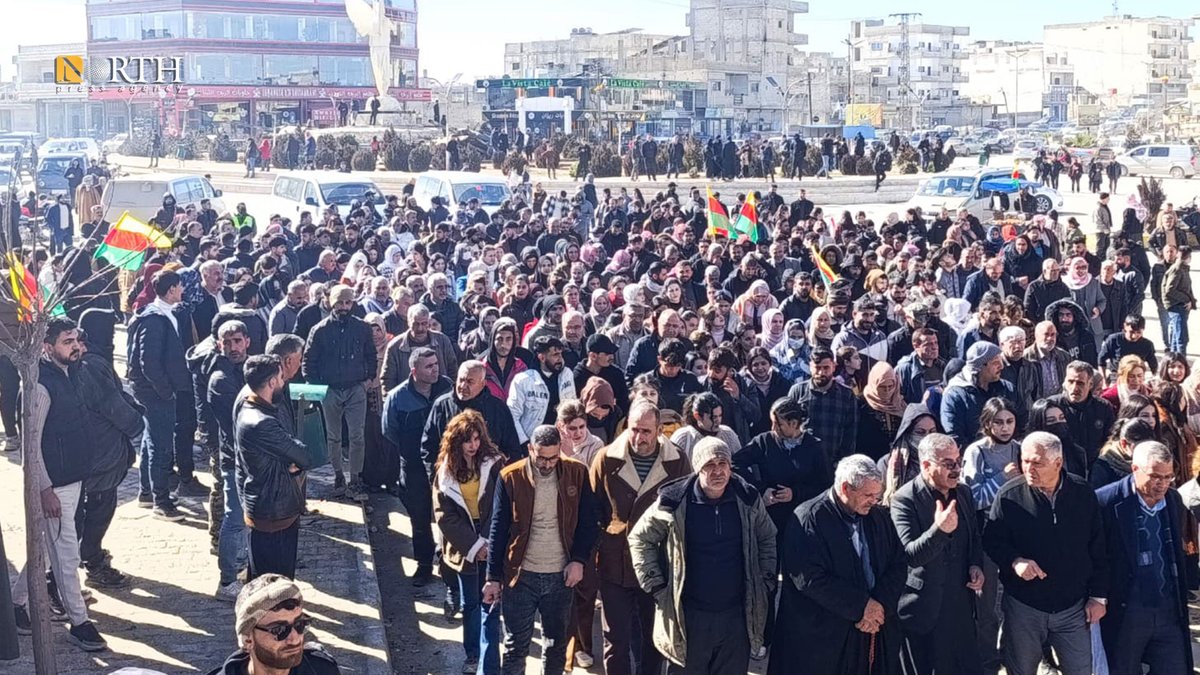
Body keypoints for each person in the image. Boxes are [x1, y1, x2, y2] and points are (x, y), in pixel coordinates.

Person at [628, 436, 777, 674]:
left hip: (736, 616)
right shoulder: (673, 502)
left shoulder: (748, 498)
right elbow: (640, 538)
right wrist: (655, 584)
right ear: (698, 468)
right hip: (689, 616)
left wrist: (766, 579)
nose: (718, 471)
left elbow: (767, 537)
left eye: (723, 463)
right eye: (710, 465)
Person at [10, 318, 108, 651]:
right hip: (56, 485)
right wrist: (45, 488)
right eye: (68, 342)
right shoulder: (39, 385)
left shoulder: (70, 373)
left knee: (48, 547)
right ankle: (79, 622)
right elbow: (31, 445)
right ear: (47, 347)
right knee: (66, 554)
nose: (76, 346)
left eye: (76, 339)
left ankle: (16, 604)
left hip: (74, 478)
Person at [983, 431, 1108, 675]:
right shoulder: (1009, 496)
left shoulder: (1082, 493)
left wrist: (1098, 596)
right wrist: (1015, 561)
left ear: (1058, 463)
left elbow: (1098, 547)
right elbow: (992, 541)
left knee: (1081, 670)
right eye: (1025, 461)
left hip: (1073, 607)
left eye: (1037, 463)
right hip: (1024, 607)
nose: (1028, 469)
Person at [771, 454, 905, 675]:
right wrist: (861, 606)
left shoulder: (878, 516)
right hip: (825, 637)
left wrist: (879, 605)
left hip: (871, 629)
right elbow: (809, 578)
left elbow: (898, 563)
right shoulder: (808, 519)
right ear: (845, 488)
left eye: (877, 495)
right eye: (868, 495)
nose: (874, 501)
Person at [484, 425, 599, 675]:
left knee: (556, 647)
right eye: (541, 458)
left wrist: (579, 560)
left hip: (561, 576)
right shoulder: (510, 476)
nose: (547, 464)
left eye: (553, 458)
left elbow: (589, 522)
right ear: (530, 449)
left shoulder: (577, 473)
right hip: (520, 576)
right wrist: (492, 577)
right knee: (515, 647)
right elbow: (498, 527)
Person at [590, 401, 690, 675]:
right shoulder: (606, 458)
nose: (639, 437)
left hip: (656, 564)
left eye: (646, 431)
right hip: (615, 561)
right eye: (634, 429)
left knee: (654, 639)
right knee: (616, 640)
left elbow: (685, 511)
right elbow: (592, 509)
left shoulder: (677, 461)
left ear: (658, 430)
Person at [1095, 440, 1194, 674]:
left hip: (1168, 607)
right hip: (1127, 610)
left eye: (1168, 477)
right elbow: (1096, 556)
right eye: (1155, 477)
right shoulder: (1105, 501)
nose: (1162, 484)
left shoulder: (1173, 500)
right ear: (1135, 469)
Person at [890, 433, 985, 674]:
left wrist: (976, 565)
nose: (957, 469)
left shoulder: (963, 493)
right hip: (924, 608)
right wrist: (939, 530)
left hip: (960, 604)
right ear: (926, 465)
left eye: (958, 462)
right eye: (948, 464)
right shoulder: (904, 499)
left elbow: (974, 537)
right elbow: (910, 555)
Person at [432, 410, 505, 675]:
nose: (473, 445)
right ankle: (472, 654)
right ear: (456, 442)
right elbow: (444, 515)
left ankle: (490, 662)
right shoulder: (445, 471)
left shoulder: (495, 463)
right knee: (470, 604)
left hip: (492, 539)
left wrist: (488, 542)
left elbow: (502, 504)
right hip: (463, 547)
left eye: (476, 439)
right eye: (467, 440)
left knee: (491, 603)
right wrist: (474, 546)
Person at [236, 355, 313, 580]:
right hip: (273, 513)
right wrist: (291, 463)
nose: (283, 381)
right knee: (275, 584)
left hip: (268, 508)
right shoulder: (262, 422)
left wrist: (288, 462)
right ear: (271, 382)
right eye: (280, 377)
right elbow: (304, 456)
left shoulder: (252, 408)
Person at [383, 347, 452, 586]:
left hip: (446, 465)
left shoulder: (448, 388)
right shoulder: (397, 397)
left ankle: (448, 562)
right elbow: (389, 431)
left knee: (449, 515)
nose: (435, 370)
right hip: (413, 468)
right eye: (428, 366)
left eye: (436, 364)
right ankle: (424, 565)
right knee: (419, 519)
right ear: (414, 371)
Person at [127, 269, 192, 520]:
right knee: (161, 446)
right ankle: (161, 501)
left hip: (156, 390)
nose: (183, 290)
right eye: (180, 286)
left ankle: (147, 492)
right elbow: (149, 361)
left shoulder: (165, 314)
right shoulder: (155, 319)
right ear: (172, 289)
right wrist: (165, 391)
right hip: (154, 392)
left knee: (150, 439)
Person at [302, 284, 377, 500]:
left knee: (357, 436)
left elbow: (371, 355)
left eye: (348, 302)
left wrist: (368, 381)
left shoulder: (362, 328)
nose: (344, 307)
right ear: (331, 303)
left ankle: (355, 479)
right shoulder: (320, 329)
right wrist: (318, 389)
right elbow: (308, 361)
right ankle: (338, 476)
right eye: (340, 302)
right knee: (333, 436)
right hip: (331, 389)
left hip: (356, 387)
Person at [206, 574, 340, 675]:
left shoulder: (322, 670)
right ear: (248, 639)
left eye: (299, 625)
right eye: (279, 630)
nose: (294, 639)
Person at [208, 321, 251, 601]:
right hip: (233, 458)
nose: (233, 347)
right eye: (227, 342)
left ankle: (241, 567)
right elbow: (235, 422)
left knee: (245, 519)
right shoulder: (220, 379)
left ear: (247, 341)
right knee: (234, 518)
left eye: (237, 340)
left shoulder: (250, 369)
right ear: (219, 345)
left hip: (250, 457)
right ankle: (226, 581)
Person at [507, 336, 577, 444]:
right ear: (542, 357)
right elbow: (512, 415)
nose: (560, 359)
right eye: (555, 355)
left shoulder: (567, 374)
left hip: (561, 439)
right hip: (532, 440)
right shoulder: (523, 380)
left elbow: (572, 407)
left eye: (561, 354)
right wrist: (524, 442)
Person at [1162, 245, 1195, 355]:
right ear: (1188, 257)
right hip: (1176, 305)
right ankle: (1181, 360)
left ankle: (1174, 358)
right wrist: (1186, 300)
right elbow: (1169, 290)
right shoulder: (1177, 269)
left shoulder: (1183, 268)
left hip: (1180, 305)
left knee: (1176, 337)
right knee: (1181, 338)